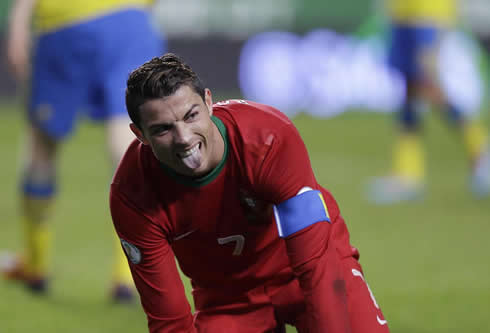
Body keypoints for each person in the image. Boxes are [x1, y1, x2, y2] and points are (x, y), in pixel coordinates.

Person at [110, 53, 390, 332]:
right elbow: (169, 320)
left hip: (306, 272)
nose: (184, 138)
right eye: (163, 129)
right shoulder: (132, 195)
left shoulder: (269, 138)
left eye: (191, 116)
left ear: (208, 103)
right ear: (140, 135)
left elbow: (316, 264)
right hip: (229, 301)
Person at [2, 0, 165, 301]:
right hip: (131, 22)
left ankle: (36, 265)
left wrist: (18, 28)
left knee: (42, 145)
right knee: (129, 143)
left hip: (65, 24)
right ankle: (127, 275)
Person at [368, 0, 490, 204]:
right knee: (410, 90)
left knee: (426, 83)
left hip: (428, 13)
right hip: (401, 13)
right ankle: (408, 173)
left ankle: (480, 147)